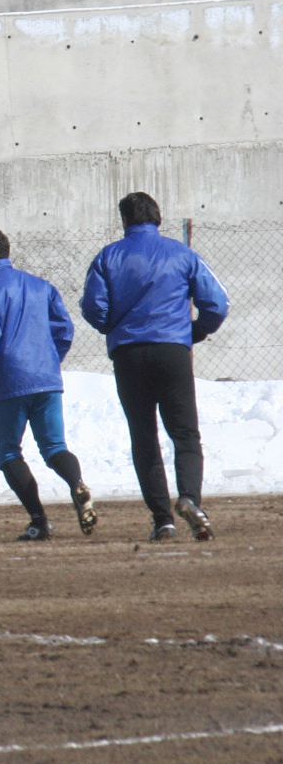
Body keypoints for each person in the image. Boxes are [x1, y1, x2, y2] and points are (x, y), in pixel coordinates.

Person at [81, 192, 229, 540]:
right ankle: (191, 498)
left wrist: (114, 327)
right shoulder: (182, 253)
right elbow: (218, 303)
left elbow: (92, 307)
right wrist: (197, 329)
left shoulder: (108, 256)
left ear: (124, 221)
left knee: (144, 436)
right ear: (158, 218)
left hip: (129, 354)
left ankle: (162, 518)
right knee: (185, 433)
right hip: (172, 350)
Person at [0, 225, 97, 541]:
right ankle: (76, 483)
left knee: (8, 453)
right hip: (47, 380)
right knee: (55, 447)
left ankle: (40, 520)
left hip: (10, 382)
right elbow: (64, 331)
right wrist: (46, 363)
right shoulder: (41, 286)